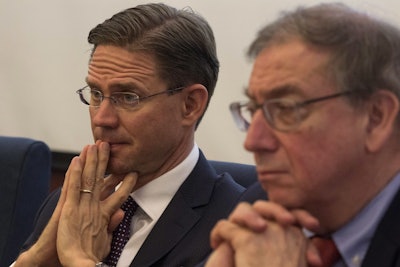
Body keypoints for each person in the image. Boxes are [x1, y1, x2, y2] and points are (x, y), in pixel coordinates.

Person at [14, 3, 248, 267]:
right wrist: (34, 260)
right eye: (96, 94)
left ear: (190, 105)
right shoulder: (73, 204)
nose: (102, 118)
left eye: (128, 97)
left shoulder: (235, 227)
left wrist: (80, 260)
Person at [205, 2, 400, 267]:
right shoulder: (261, 207)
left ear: (376, 118)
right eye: (253, 109)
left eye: (285, 109)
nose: (253, 142)